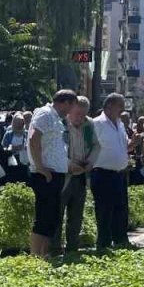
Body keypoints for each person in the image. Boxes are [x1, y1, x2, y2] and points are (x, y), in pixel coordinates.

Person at [27, 90, 76, 258]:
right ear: (65, 102)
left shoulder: (56, 118)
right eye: (71, 107)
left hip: (55, 174)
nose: (70, 112)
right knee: (43, 216)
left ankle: (44, 254)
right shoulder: (45, 114)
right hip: (45, 174)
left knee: (52, 217)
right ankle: (35, 256)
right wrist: (40, 167)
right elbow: (34, 139)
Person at [52, 96, 98, 254]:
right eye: (77, 113)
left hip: (80, 175)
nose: (80, 117)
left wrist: (90, 163)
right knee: (57, 213)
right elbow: (55, 149)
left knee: (76, 214)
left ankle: (72, 248)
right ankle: (55, 249)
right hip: (64, 174)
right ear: (70, 110)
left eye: (83, 114)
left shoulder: (89, 125)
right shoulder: (61, 125)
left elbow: (96, 145)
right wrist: (69, 165)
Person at [90, 93, 131, 250]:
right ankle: (103, 243)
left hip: (119, 173)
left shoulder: (120, 124)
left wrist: (133, 144)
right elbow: (91, 147)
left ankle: (121, 240)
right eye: (120, 105)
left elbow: (123, 147)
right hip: (102, 173)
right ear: (109, 106)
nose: (122, 109)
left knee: (121, 208)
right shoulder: (97, 124)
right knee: (104, 210)